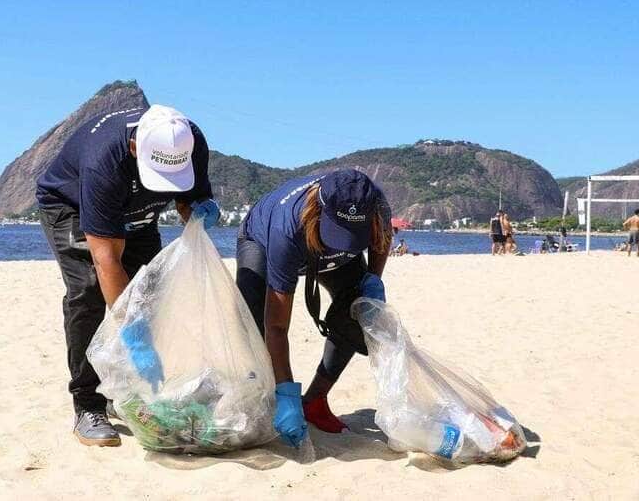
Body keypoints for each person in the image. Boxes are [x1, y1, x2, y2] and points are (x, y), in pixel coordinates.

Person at [36, 104, 219, 447]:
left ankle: (127, 393)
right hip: (71, 205)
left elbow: (189, 197)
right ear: (136, 148)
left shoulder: (188, 140)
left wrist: (198, 213)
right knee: (88, 291)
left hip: (141, 213)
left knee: (150, 291)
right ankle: (88, 404)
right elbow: (108, 261)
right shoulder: (103, 161)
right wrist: (134, 336)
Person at [236, 170, 392, 447]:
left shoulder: (375, 204)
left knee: (357, 314)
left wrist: (372, 279)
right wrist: (286, 392)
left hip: (331, 253)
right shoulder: (286, 230)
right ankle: (266, 400)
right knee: (254, 325)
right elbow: (277, 326)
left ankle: (315, 401)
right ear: (318, 209)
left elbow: (382, 239)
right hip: (262, 239)